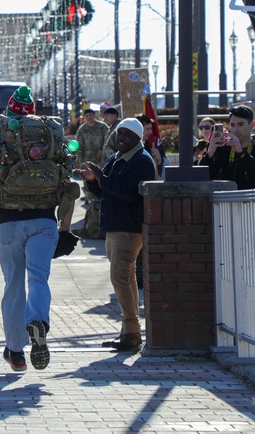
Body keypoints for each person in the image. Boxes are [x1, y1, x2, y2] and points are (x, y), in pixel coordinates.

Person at [0, 85, 74, 372]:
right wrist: (64, 228)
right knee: (39, 279)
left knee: (13, 286)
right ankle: (38, 321)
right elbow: (67, 188)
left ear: (9, 111)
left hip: (9, 223)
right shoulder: (49, 140)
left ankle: (16, 352)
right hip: (45, 222)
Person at [76, 117, 155, 352]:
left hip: (128, 228)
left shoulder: (142, 161)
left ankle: (131, 333)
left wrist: (101, 177)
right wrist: (92, 182)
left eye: (127, 135)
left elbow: (129, 193)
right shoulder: (116, 158)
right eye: (119, 133)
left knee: (119, 278)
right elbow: (106, 192)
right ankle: (129, 332)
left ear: (137, 138)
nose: (120, 138)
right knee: (125, 278)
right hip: (114, 226)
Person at [198, 104, 255, 190]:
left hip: (253, 201)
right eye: (233, 125)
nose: (235, 130)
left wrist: (241, 152)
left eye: (240, 125)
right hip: (225, 201)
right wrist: (209, 154)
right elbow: (202, 178)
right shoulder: (224, 147)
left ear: (252, 125)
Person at [74, 107, 108, 239]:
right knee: (90, 192)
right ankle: (93, 220)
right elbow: (79, 147)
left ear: (95, 116)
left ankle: (99, 220)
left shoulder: (103, 127)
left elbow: (108, 142)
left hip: (101, 164)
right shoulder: (82, 130)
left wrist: (101, 150)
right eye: (87, 115)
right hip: (87, 165)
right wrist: (79, 162)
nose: (89, 117)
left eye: (91, 115)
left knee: (101, 190)